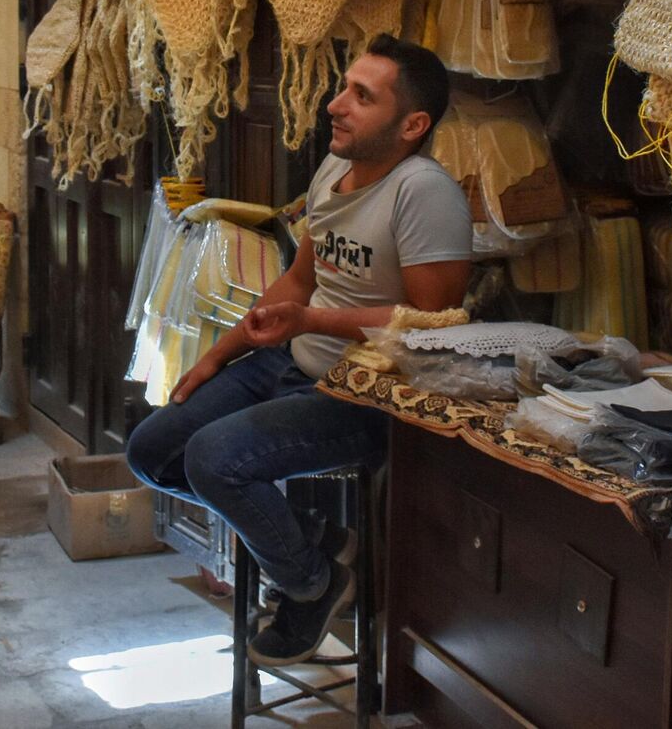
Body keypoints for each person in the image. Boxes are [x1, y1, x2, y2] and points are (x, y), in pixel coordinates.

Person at [126, 35, 472, 667]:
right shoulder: (333, 170)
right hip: (290, 363)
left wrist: (311, 320)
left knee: (214, 459)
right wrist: (217, 356)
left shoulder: (423, 192)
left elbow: (429, 326)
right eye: (344, 87)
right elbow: (297, 281)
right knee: (151, 451)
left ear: (411, 125)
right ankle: (313, 546)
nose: (335, 105)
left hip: (371, 395)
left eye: (361, 97)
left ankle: (310, 585)